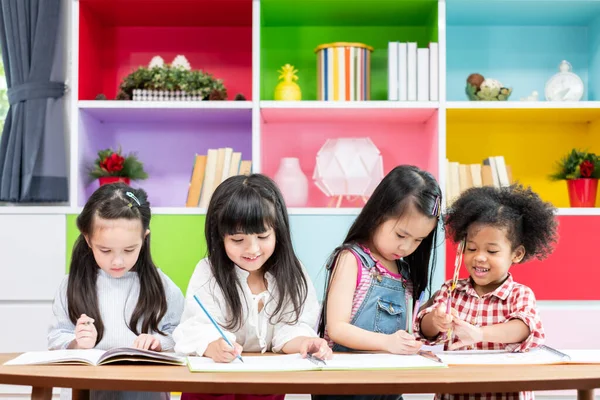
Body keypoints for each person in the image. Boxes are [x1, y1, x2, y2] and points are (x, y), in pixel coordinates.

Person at [174, 174, 332, 400]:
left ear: (278, 231)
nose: (252, 249)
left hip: (264, 386)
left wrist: (305, 342)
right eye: (238, 240)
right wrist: (212, 345)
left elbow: (291, 329)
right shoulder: (208, 272)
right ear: (220, 237)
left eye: (263, 236)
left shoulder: (292, 274)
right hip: (213, 386)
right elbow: (195, 326)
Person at [416, 184, 559, 400]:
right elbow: (425, 330)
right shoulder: (451, 290)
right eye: (471, 248)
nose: (479, 257)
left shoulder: (519, 294)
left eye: (492, 251)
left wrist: (480, 334)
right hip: (455, 394)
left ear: (517, 254)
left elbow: (525, 328)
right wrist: (435, 321)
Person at [316, 165, 443, 400]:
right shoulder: (351, 260)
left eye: (418, 240)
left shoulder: (406, 273)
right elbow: (337, 328)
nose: (406, 247)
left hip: (387, 387)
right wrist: (388, 343)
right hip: (344, 387)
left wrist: (433, 319)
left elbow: (407, 329)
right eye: (401, 235)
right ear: (378, 215)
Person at [48, 183, 184, 400]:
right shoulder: (72, 284)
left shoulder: (161, 285)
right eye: (106, 250)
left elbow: (181, 335)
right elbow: (56, 337)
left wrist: (158, 343)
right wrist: (76, 343)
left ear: (144, 238)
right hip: (87, 390)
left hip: (145, 391)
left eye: (130, 250)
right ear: (88, 239)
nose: (118, 261)